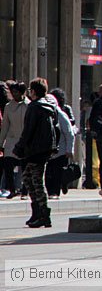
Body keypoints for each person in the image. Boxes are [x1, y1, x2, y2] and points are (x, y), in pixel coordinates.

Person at [13, 78, 59, 228]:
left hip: (35, 150)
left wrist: (20, 146)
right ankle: (37, 212)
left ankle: (43, 214)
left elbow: (28, 130)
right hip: (44, 149)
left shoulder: (35, 107)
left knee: (36, 181)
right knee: (29, 178)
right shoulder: (50, 107)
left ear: (33, 91)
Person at [0, 81, 28, 199]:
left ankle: (25, 192)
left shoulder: (29, 106)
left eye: (17, 92)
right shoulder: (8, 107)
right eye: (13, 92)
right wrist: (1, 143)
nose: (15, 94)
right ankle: (12, 189)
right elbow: (5, 125)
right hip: (11, 140)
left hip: (25, 140)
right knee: (8, 165)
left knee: (26, 168)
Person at [44, 93, 75, 199]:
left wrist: (69, 149)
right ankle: (50, 191)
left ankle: (55, 192)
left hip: (60, 151)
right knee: (48, 173)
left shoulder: (60, 115)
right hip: (47, 151)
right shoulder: (42, 113)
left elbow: (69, 133)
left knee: (57, 173)